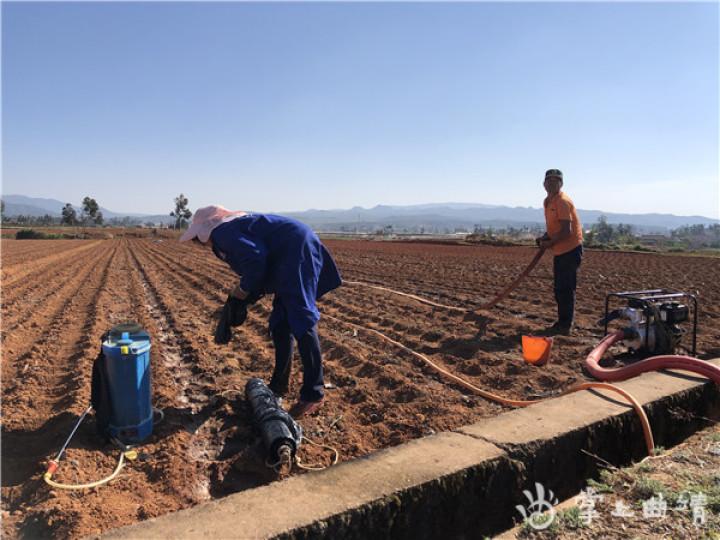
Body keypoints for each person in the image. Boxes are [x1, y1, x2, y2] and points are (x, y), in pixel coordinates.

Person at [180, 205, 342, 418]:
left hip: (295, 252)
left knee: (301, 319)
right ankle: (278, 385)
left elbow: (256, 262)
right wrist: (243, 297)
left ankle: (314, 393)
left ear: (203, 231)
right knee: (280, 324)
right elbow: (259, 266)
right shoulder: (229, 230)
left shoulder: (222, 233)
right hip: (288, 255)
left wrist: (242, 291)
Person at [536, 169, 583, 335]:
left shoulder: (562, 201)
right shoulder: (548, 201)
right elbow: (554, 227)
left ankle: (565, 325)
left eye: (555, 181)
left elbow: (565, 231)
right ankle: (563, 322)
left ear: (561, 184)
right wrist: (545, 237)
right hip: (560, 250)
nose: (551, 184)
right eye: (549, 181)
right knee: (559, 288)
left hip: (570, 249)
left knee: (565, 288)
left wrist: (549, 243)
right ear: (544, 184)